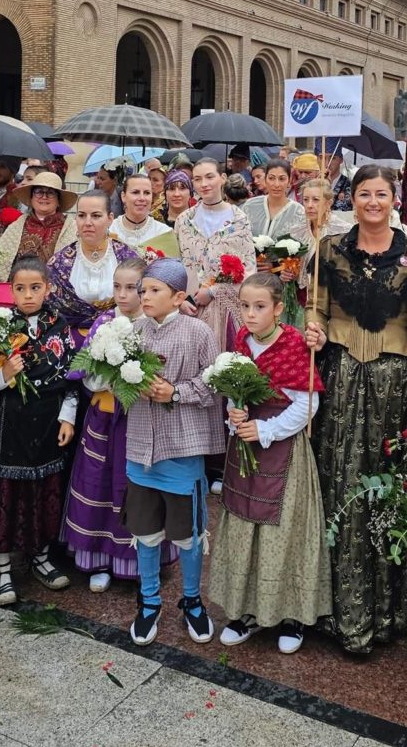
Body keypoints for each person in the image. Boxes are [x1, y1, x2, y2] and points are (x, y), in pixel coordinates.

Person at [305, 165, 407, 654]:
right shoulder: (329, 249)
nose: (372, 201)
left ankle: (385, 606)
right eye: (364, 193)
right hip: (342, 375)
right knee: (340, 480)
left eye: (381, 194)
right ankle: (333, 605)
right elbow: (318, 308)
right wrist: (316, 329)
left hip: (394, 382)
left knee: (384, 484)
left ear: (394, 200)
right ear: (353, 199)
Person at [210, 273, 331, 654]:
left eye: (259, 307)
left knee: (285, 532)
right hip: (246, 447)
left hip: (282, 449)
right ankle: (245, 611)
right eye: (245, 306)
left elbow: (308, 403)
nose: (250, 314)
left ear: (279, 309)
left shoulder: (294, 344)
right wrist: (235, 414)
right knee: (245, 525)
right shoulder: (241, 343)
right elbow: (233, 391)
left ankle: (291, 615)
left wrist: (266, 430)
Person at [123, 259, 223, 646]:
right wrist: (129, 384)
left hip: (183, 449)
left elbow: (214, 382)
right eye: (142, 290)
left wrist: (175, 392)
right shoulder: (132, 332)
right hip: (141, 446)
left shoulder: (198, 332)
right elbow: (117, 382)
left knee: (188, 534)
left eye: (153, 291)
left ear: (179, 296)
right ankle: (149, 601)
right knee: (146, 532)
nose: (144, 297)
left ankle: (192, 600)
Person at [62, 258, 177, 590]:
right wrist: (106, 381)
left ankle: (135, 559)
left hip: (141, 419)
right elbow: (85, 372)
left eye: (133, 288)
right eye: (117, 287)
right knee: (98, 480)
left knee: (134, 490)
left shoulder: (155, 325)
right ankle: (97, 557)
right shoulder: (105, 322)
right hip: (105, 416)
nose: (124, 295)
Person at [0, 256, 78, 604]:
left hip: (48, 421)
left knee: (44, 489)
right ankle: (1, 567)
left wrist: (68, 417)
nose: (28, 295)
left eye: (36, 287)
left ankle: (41, 556)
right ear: (11, 290)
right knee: (6, 492)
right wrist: (4, 376)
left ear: (49, 288)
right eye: (21, 288)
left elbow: (71, 379)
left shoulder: (59, 324)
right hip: (8, 424)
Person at [176, 157, 256, 350]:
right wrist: (178, 301)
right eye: (197, 179)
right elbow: (175, 265)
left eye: (209, 177)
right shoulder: (184, 221)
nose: (204, 184)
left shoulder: (239, 220)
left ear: (222, 178)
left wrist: (213, 292)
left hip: (227, 313)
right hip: (189, 310)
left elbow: (249, 271)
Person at [46, 190, 140, 351]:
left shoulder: (127, 257)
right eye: (82, 215)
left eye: (96, 216)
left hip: (121, 343)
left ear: (110, 218)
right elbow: (50, 311)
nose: (87, 222)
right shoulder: (59, 263)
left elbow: (141, 302)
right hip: (69, 346)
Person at [0, 171, 77, 283]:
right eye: (38, 192)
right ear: (31, 198)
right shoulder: (17, 226)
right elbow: (0, 259)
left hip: (56, 293)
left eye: (50, 193)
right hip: (18, 290)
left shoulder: (71, 228)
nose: (44, 197)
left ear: (58, 200)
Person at [110, 173, 178, 256]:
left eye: (147, 193)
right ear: (123, 196)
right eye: (135, 192)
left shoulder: (164, 233)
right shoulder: (109, 231)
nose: (142, 198)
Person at [244, 160, 308, 243]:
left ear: (289, 181)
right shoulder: (250, 206)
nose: (276, 184)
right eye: (271, 178)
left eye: (282, 179)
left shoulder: (299, 212)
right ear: (266, 179)